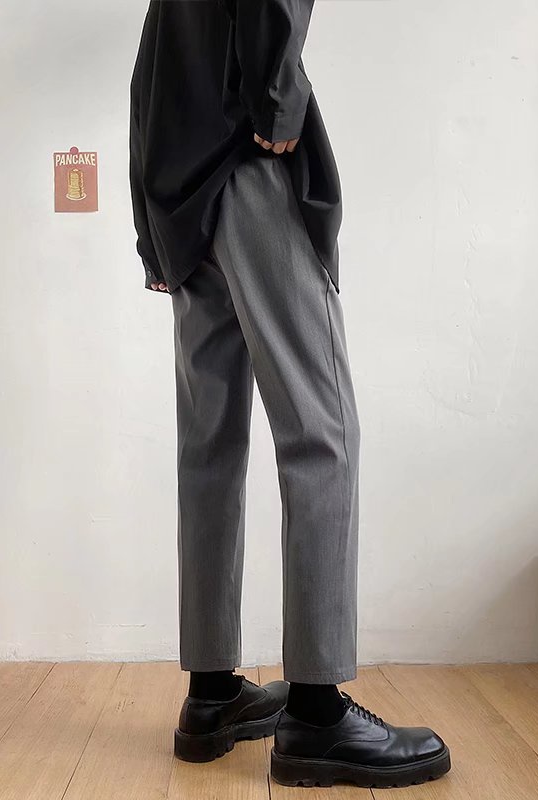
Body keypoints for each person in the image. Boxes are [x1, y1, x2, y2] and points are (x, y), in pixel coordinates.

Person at [129, 0, 451, 789]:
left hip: (180, 194)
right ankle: (315, 714)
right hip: (247, 164)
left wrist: (150, 223)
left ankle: (212, 694)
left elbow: (152, 60)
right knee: (321, 431)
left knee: (209, 445)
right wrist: (278, 99)